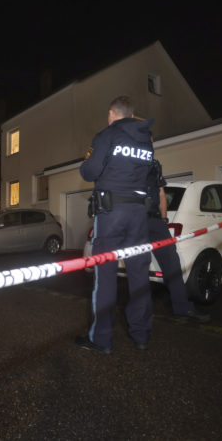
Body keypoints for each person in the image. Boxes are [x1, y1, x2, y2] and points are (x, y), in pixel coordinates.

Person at [76, 95, 155, 354]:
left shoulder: (107, 135)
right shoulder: (146, 140)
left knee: (106, 274)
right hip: (138, 213)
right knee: (139, 273)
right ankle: (141, 335)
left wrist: (88, 161)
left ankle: (101, 339)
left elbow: (90, 171)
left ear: (112, 113)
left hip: (111, 212)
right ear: (132, 115)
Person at [147, 159, 211, 323]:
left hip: (156, 222)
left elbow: (161, 193)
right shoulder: (125, 159)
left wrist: (163, 220)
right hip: (133, 221)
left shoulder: (153, 164)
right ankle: (141, 315)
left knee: (172, 263)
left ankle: (183, 308)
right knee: (138, 267)